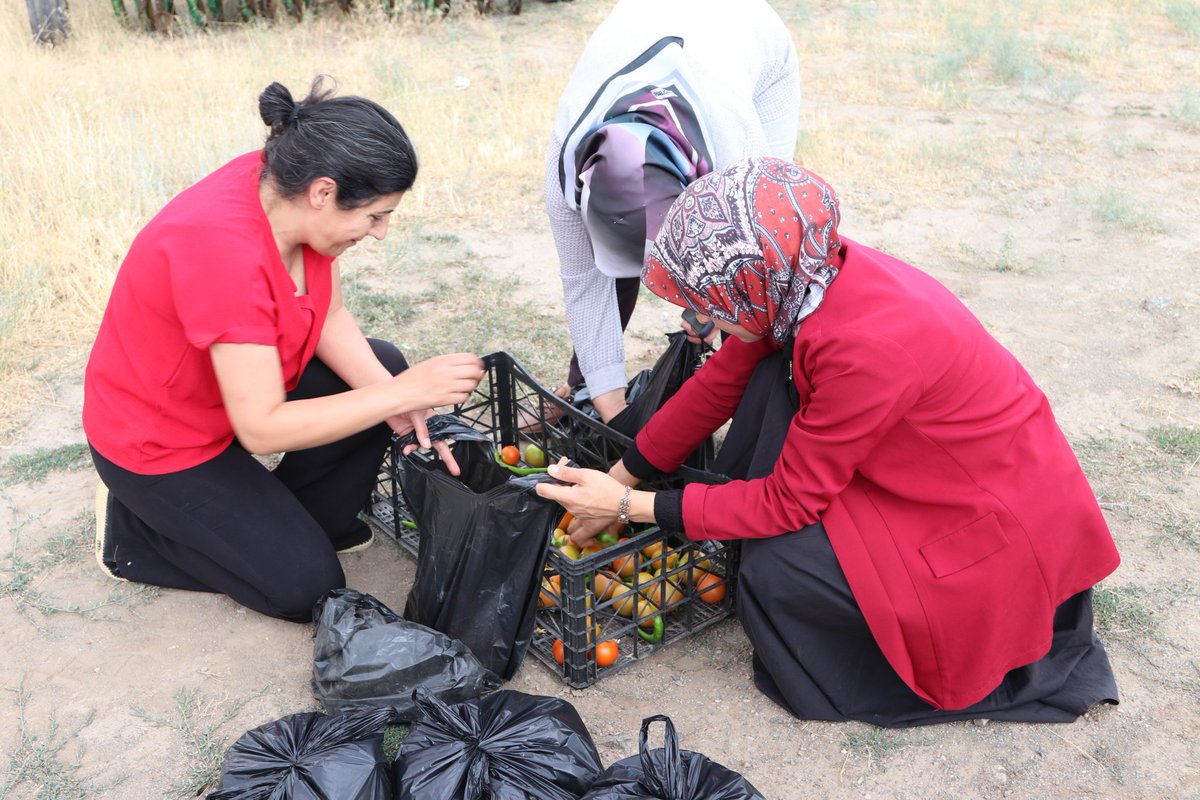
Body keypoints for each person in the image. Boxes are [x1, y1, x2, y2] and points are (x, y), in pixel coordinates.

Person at [537, 157, 1122, 727]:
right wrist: (623, 477)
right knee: (766, 380)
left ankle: (922, 648)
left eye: (713, 306)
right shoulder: (804, 275)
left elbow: (789, 503)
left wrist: (625, 507)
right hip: (946, 470)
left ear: (749, 286)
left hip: (985, 520)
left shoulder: (863, 347)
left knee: (778, 571)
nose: (706, 320)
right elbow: (718, 384)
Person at [83, 77, 485, 622]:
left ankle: (281, 524)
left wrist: (398, 395)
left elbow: (331, 316)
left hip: (233, 398)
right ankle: (134, 536)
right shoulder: (224, 253)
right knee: (307, 588)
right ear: (324, 193)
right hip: (161, 442)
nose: (382, 231)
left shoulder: (287, 186)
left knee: (382, 368)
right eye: (374, 215)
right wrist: (407, 391)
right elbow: (263, 429)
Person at [544, 0, 801, 423]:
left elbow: (764, 260)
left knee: (760, 276)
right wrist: (615, 412)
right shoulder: (563, 175)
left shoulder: (741, 166)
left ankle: (766, 404)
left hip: (748, 34)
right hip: (646, 26)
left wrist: (714, 307)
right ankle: (585, 385)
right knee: (614, 272)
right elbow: (583, 284)